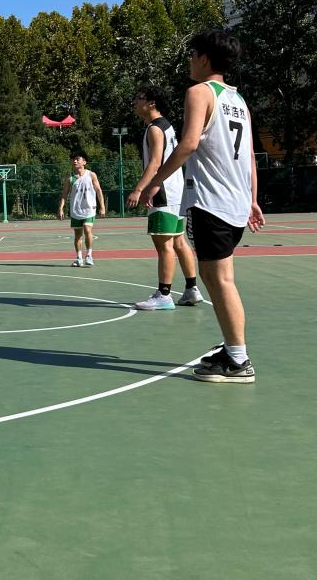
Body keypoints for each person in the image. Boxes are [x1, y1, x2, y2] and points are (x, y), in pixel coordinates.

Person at [143, 29, 264, 383]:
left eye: (193, 54)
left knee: (219, 280)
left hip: (212, 201)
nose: (190, 60)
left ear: (205, 59)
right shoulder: (238, 100)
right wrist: (253, 199)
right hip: (236, 202)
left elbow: (189, 144)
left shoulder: (199, 92)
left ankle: (238, 359)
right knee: (221, 279)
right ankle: (232, 348)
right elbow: (250, 157)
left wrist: (156, 180)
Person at [126, 85, 204, 310]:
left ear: (151, 103)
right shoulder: (166, 125)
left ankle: (164, 295)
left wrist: (139, 189)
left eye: (139, 98)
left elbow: (155, 163)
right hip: (177, 191)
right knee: (179, 241)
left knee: (164, 245)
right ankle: (191, 289)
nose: (134, 102)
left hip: (163, 193)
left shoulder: (154, 129)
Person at [57, 153, 106, 267]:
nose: (74, 161)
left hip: (89, 209)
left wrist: (102, 207)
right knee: (78, 235)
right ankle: (79, 258)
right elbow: (64, 195)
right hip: (76, 210)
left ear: (84, 162)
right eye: (73, 160)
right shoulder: (70, 178)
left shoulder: (91, 175)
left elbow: (98, 191)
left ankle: (89, 255)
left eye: (77, 159)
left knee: (87, 230)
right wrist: (60, 208)